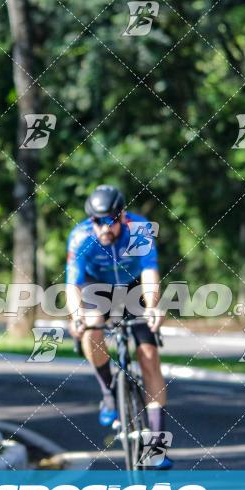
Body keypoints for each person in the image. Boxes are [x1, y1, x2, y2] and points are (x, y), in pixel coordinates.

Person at [66, 185, 172, 469]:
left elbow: (149, 271)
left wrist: (152, 305)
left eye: (110, 220)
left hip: (133, 287)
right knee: (92, 326)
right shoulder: (81, 237)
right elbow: (73, 284)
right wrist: (77, 316)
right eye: (97, 221)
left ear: (122, 216)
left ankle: (157, 444)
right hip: (96, 288)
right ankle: (108, 395)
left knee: (149, 357)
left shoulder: (138, 230)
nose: (103, 227)